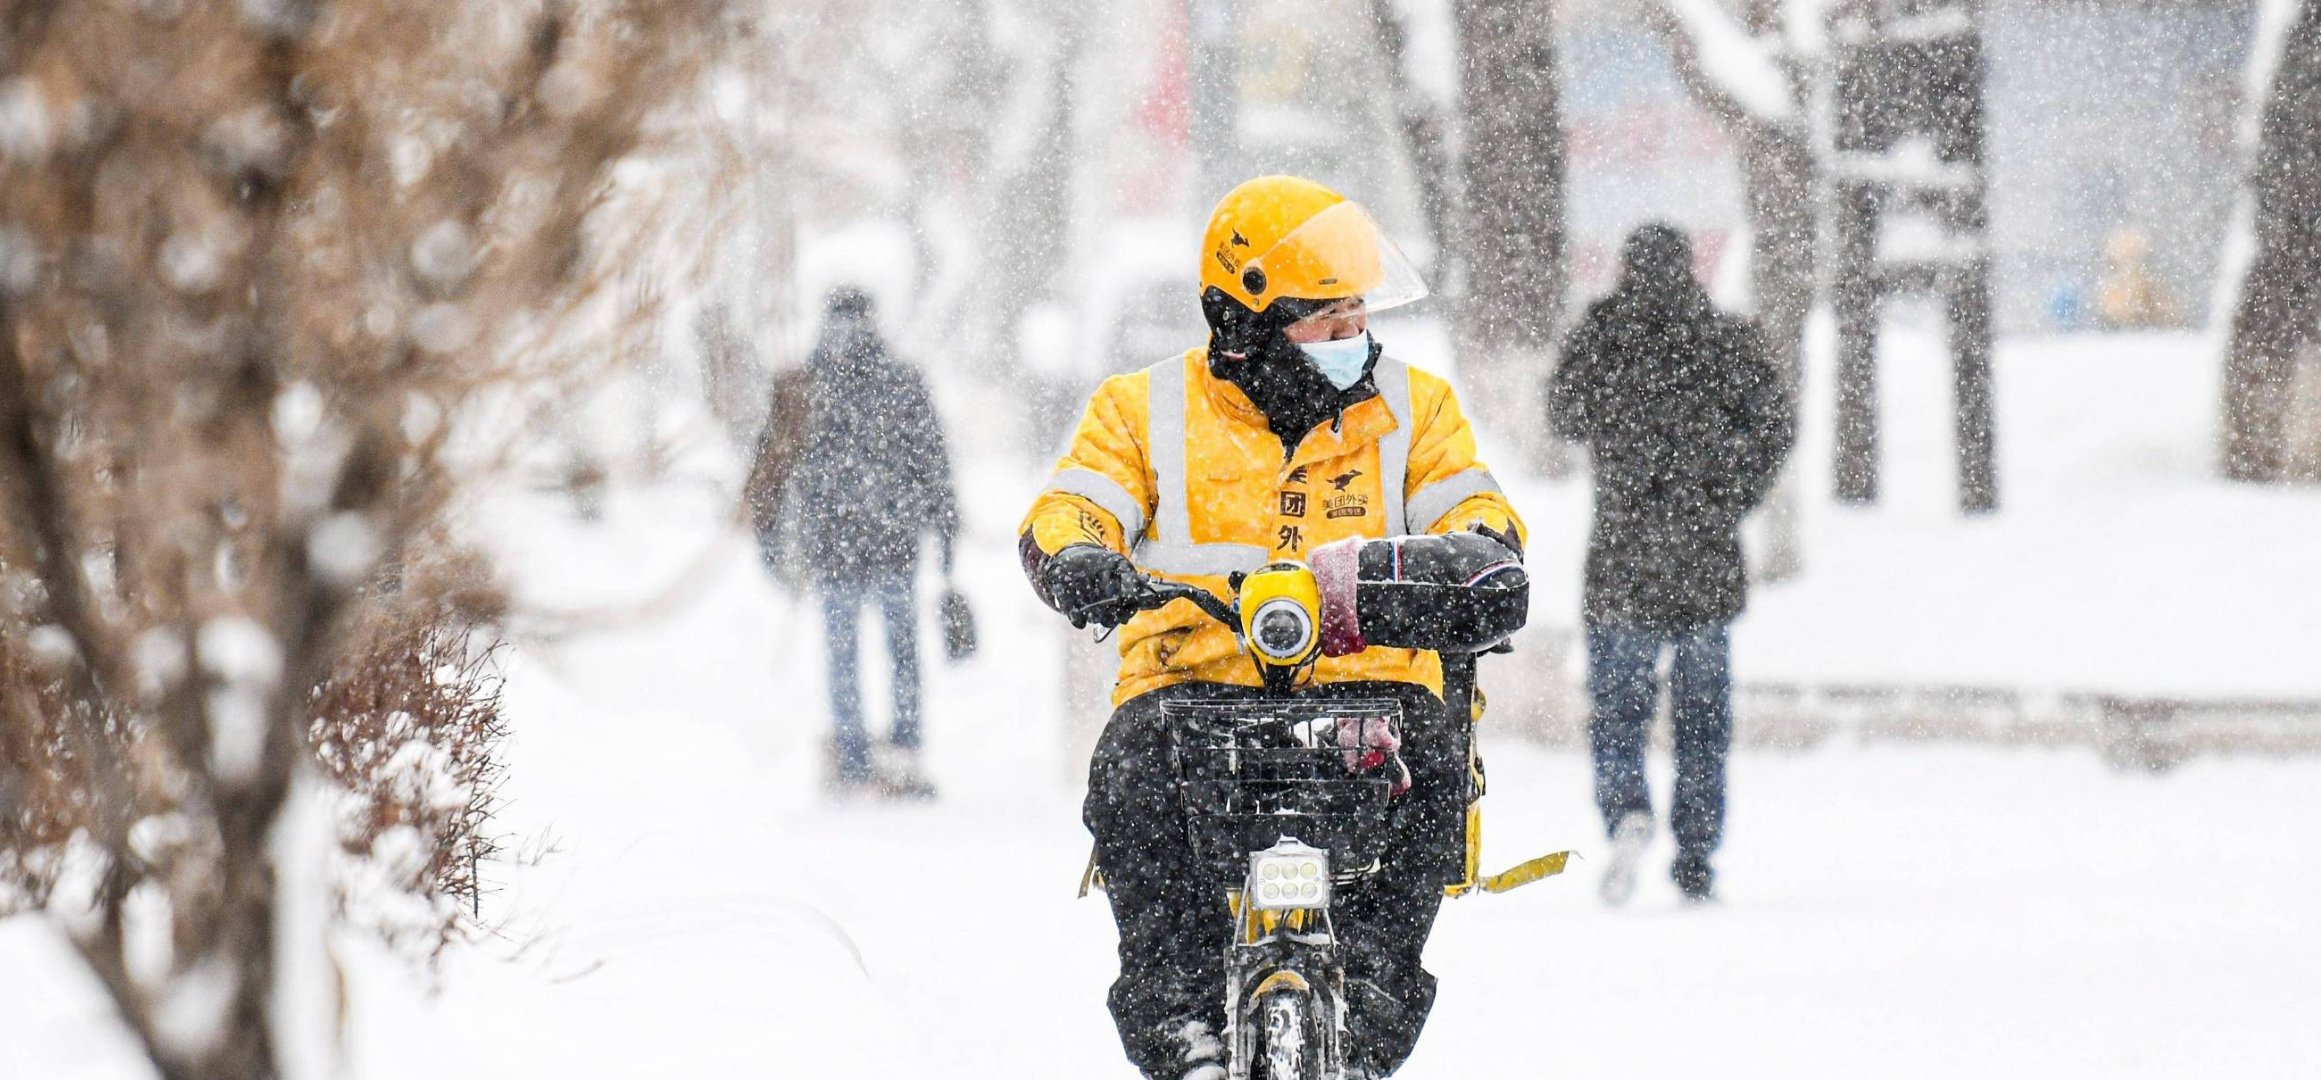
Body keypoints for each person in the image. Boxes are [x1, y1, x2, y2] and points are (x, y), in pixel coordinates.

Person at [1018, 176, 1528, 1080]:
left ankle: (1368, 1011)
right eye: (1325, 323)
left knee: (1440, 763)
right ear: (1245, 322)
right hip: (1188, 702)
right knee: (1131, 773)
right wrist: (1079, 558)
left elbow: (1478, 514)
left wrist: (1459, 564)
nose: (1352, 342)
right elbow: (1071, 507)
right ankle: (1181, 1026)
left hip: (1369, 703)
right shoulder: (1139, 411)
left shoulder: (1417, 409)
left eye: (1358, 317)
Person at [1549, 224, 1793, 905]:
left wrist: (1602, 351)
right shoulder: (1723, 339)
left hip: (1622, 557)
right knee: (1702, 718)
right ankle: (1695, 849)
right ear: (1690, 270)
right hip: (1703, 558)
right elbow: (1774, 425)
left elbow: (1561, 414)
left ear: (1625, 269)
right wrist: (1729, 493)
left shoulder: (1606, 336)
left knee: (1617, 711)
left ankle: (1626, 807)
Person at [749, 286, 958, 799]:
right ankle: (905, 755)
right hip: (894, 539)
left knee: (842, 653)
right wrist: (946, 533)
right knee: (901, 651)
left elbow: (768, 475)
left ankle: (852, 759)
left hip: (832, 542)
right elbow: (932, 461)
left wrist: (771, 544)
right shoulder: (902, 381)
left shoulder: (803, 384)